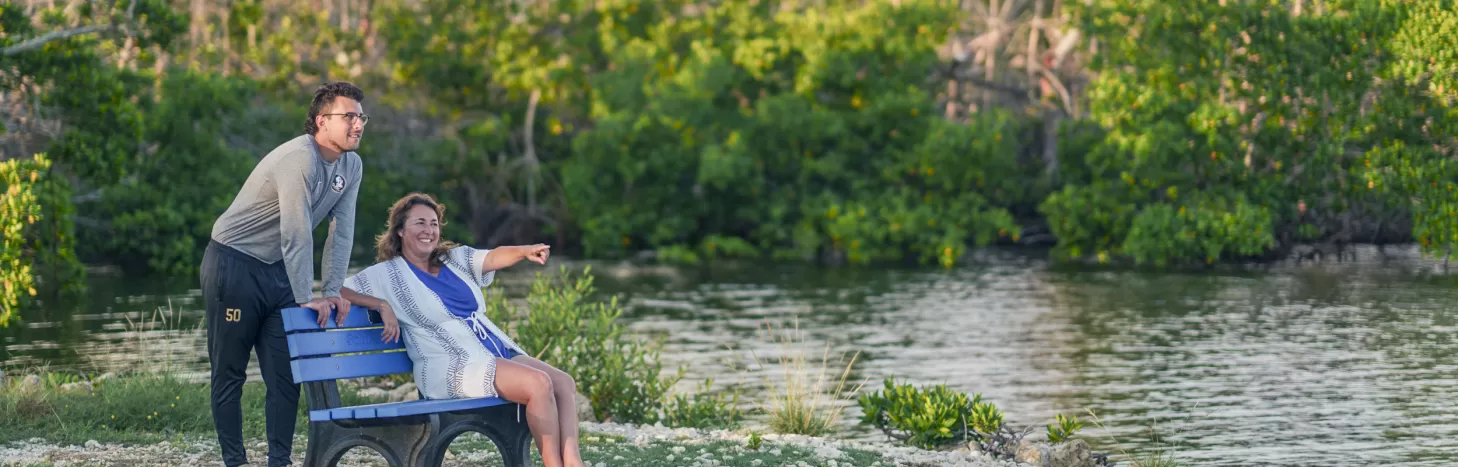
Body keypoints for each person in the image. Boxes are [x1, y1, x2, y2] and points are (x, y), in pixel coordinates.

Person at [338, 192, 583, 467]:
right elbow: (339, 289)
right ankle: (554, 463)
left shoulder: (453, 259)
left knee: (564, 383)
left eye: (433, 223)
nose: (429, 230)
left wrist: (524, 251)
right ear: (400, 230)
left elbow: (492, 257)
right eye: (420, 223)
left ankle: (573, 461)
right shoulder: (386, 274)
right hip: (450, 363)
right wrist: (381, 303)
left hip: (492, 348)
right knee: (538, 384)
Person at [200, 81, 368, 467]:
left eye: (361, 117)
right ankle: (235, 461)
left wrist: (331, 290)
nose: (358, 124)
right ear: (321, 121)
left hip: (278, 271)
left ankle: (280, 461)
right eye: (349, 117)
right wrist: (306, 296)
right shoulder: (299, 159)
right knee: (230, 372)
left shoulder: (351, 166)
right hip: (233, 263)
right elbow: (295, 231)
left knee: (285, 376)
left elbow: (341, 231)